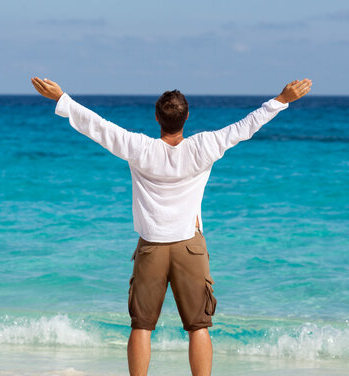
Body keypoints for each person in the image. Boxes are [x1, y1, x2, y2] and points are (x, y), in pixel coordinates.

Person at [31, 77, 312, 376]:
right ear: (187, 116)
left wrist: (62, 98)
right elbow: (245, 127)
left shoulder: (140, 148)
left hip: (151, 246)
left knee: (141, 326)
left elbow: (98, 127)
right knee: (198, 326)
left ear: (157, 118)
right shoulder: (204, 145)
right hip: (189, 246)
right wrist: (282, 99)